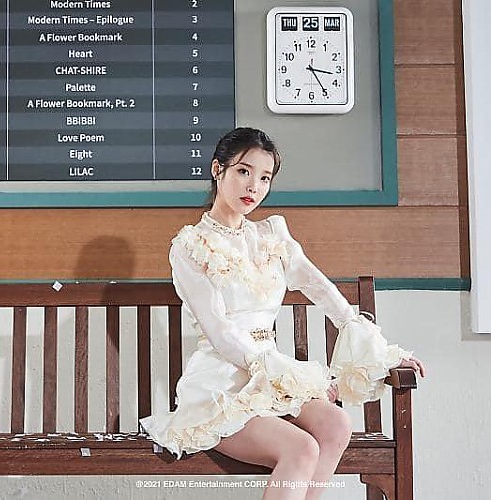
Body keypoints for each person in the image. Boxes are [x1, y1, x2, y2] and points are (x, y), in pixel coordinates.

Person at [140, 127, 425, 499]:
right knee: (301, 448)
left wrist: (384, 352)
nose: (253, 186)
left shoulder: (272, 235)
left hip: (272, 379)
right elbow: (219, 331)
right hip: (222, 385)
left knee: (336, 425)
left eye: (264, 178)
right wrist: (281, 374)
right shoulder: (191, 246)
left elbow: (321, 289)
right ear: (217, 169)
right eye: (243, 171)